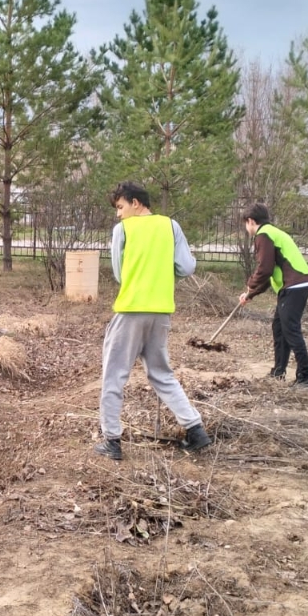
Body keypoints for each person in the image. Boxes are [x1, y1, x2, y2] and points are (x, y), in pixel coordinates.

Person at [94, 181, 211, 461]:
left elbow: (120, 275)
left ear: (136, 203)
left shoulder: (123, 230)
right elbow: (186, 266)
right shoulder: (171, 226)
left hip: (132, 310)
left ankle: (111, 440)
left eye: (121, 207)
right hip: (161, 311)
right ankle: (195, 430)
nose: (118, 214)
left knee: (114, 376)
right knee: (161, 373)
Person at [239, 204, 308, 387]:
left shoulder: (263, 235)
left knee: (290, 330)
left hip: (294, 286)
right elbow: (270, 271)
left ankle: (305, 377)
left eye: (246, 224)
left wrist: (250, 286)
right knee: (280, 329)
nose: (246, 228)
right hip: (292, 286)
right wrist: (251, 294)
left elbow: (264, 269)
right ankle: (278, 372)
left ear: (250, 221)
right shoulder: (272, 232)